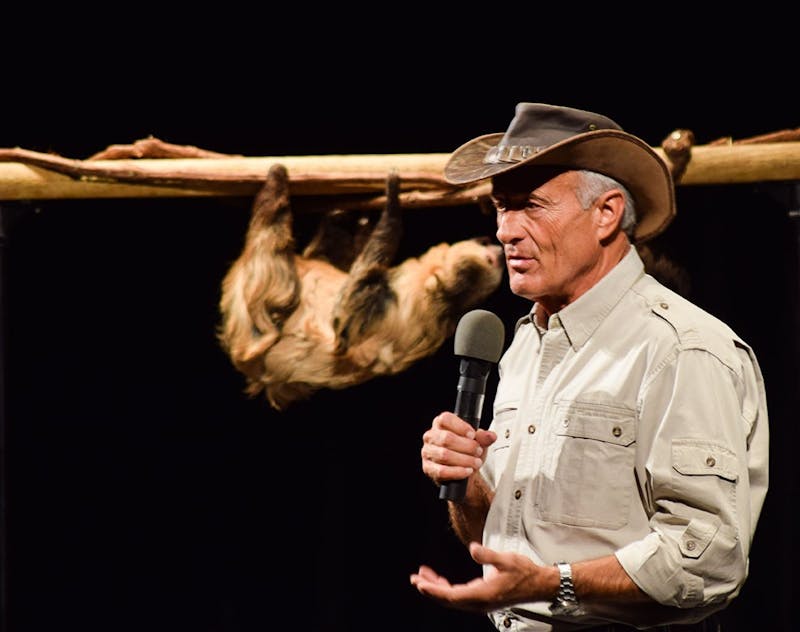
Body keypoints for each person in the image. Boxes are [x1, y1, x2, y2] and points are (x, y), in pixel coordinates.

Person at [410, 103, 769, 632]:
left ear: (606, 213)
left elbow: (708, 563)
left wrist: (552, 584)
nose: (507, 231)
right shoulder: (524, 346)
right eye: (500, 208)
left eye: (530, 206)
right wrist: (465, 483)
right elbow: (501, 539)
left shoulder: (682, 349)